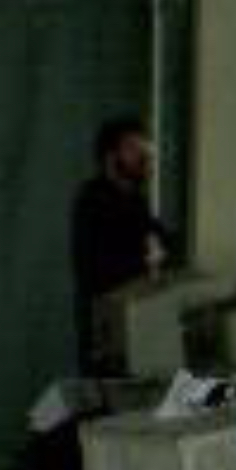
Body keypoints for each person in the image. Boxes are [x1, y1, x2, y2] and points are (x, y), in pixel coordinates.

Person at [70, 115, 174, 372]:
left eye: (144, 148)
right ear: (110, 157)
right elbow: (104, 267)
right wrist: (151, 255)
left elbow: (164, 241)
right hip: (111, 324)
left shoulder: (134, 200)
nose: (144, 156)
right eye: (133, 149)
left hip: (139, 319)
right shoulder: (94, 199)